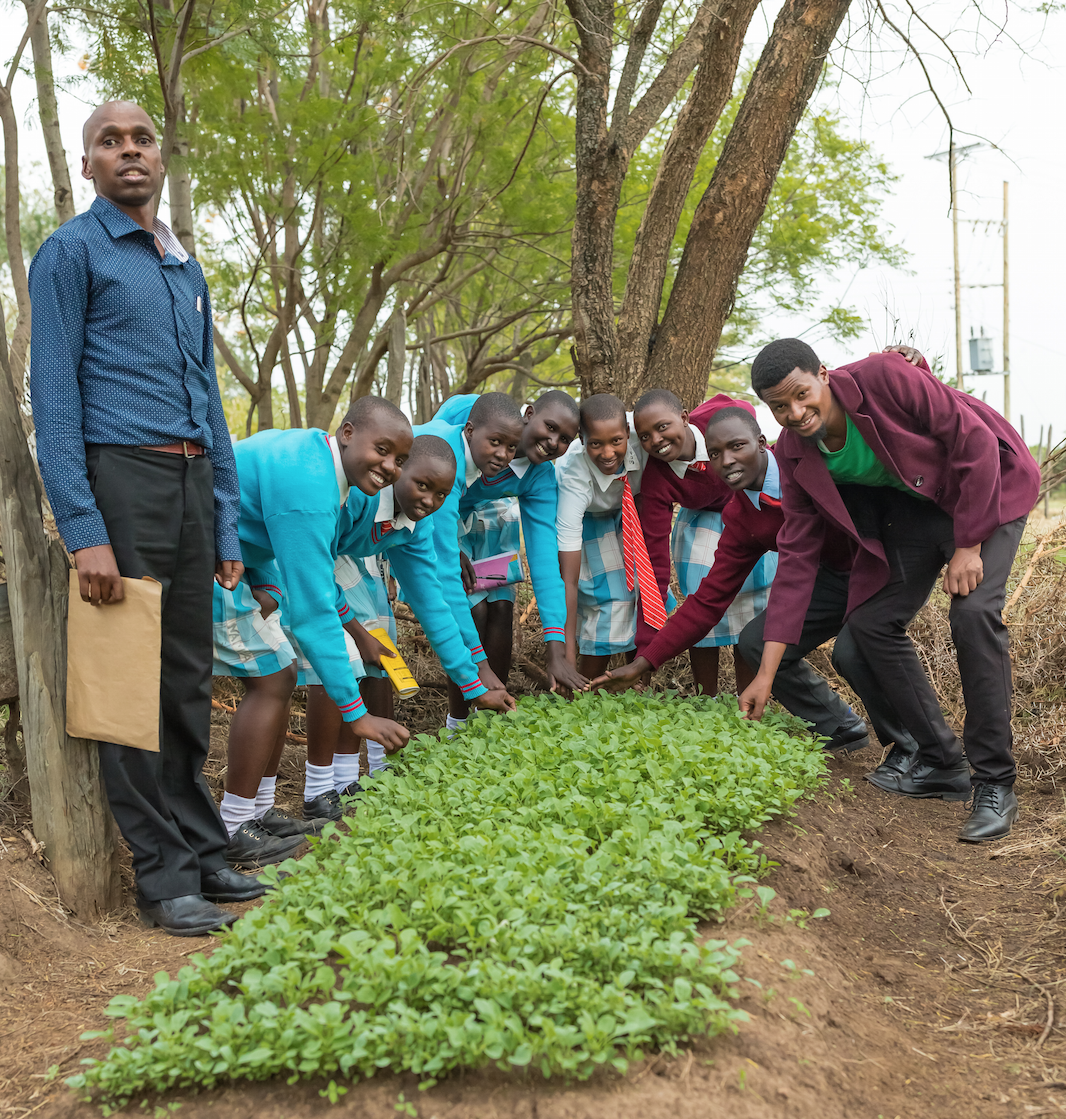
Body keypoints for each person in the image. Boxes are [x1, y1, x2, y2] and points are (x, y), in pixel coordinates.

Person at [28, 101, 261, 936]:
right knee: (128, 681)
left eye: (142, 140)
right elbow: (53, 405)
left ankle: (201, 849)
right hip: (120, 481)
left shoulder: (182, 266)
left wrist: (227, 520)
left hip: (193, 485)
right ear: (87, 163)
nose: (129, 152)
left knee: (188, 679)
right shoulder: (70, 254)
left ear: (162, 157)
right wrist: (83, 529)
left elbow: (211, 402)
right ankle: (161, 877)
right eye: (109, 142)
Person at [741, 339, 1040, 842]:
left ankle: (995, 782)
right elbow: (795, 561)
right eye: (779, 407)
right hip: (919, 511)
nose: (795, 412)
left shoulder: (884, 377)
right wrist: (766, 673)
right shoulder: (794, 455)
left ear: (823, 374)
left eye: (801, 394)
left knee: (972, 615)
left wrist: (969, 546)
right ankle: (943, 763)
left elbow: (976, 443)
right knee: (869, 624)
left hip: (990, 488)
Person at [592, 406, 920, 766]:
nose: (727, 460)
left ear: (762, 443)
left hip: (881, 560)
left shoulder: (804, 468)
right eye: (716, 454)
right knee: (754, 642)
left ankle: (916, 747)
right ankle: (840, 726)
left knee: (853, 650)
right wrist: (645, 662)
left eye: (737, 447)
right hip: (832, 576)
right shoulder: (741, 515)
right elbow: (707, 601)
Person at [211, 397, 412, 853]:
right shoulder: (312, 487)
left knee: (278, 672)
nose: (390, 467)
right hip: (201, 549)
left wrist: (359, 634)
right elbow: (312, 612)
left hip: (243, 561)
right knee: (274, 677)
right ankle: (232, 827)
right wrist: (357, 716)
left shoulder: (323, 467)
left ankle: (258, 811)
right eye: (381, 449)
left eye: (399, 459)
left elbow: (316, 582)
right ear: (347, 433)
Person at [301, 434, 518, 809]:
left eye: (441, 496)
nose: (429, 502)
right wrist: (353, 627)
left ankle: (346, 780)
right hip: (295, 554)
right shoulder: (357, 497)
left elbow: (434, 605)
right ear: (398, 470)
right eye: (422, 486)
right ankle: (318, 790)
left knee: (373, 648)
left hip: (335, 563)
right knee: (338, 655)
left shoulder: (417, 526)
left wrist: (474, 686)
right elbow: (314, 574)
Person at [429, 390, 588, 726]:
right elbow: (427, 465)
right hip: (440, 508)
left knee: (501, 604)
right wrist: (448, 547)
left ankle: (491, 717)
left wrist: (555, 648)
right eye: (550, 426)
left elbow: (544, 562)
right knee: (474, 606)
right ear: (529, 413)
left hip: (489, 509)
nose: (553, 442)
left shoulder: (541, 477)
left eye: (565, 439)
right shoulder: (472, 413)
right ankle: (457, 719)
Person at [634, 390, 777, 696]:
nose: (656, 440)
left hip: (747, 509)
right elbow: (655, 565)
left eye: (662, 427)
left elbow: (740, 410)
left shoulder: (718, 420)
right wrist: (644, 654)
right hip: (702, 517)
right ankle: (705, 699)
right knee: (701, 592)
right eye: (645, 436)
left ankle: (748, 696)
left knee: (750, 595)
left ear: (684, 418)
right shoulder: (656, 479)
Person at [555, 394, 645, 679]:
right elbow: (567, 580)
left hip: (630, 516)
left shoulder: (645, 442)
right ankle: (587, 687)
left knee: (647, 592)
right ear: (581, 440)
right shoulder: (574, 474)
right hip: (586, 522)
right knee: (610, 598)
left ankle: (640, 682)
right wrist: (566, 656)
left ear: (628, 433)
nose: (607, 453)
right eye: (596, 444)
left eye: (616, 441)